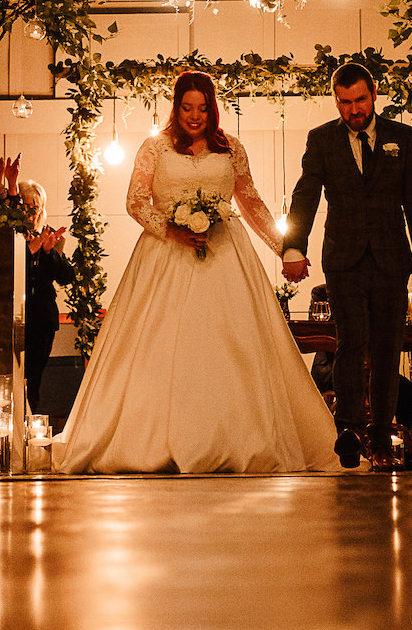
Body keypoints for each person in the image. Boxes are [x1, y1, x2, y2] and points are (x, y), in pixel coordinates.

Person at [60, 71, 337, 473]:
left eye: (202, 108)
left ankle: (235, 436)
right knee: (159, 345)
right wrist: (169, 229)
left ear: (213, 108)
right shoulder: (154, 148)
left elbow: (251, 202)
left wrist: (285, 249)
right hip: (164, 256)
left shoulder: (231, 149)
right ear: (176, 107)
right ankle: (153, 439)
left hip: (225, 254)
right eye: (187, 108)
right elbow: (136, 201)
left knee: (234, 345)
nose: (194, 116)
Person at [280, 62, 412, 470]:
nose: (354, 110)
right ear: (336, 99)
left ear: (374, 95)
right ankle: (348, 430)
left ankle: (381, 438)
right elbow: (305, 196)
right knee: (350, 341)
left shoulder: (399, 137)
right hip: (344, 258)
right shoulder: (322, 140)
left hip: (390, 258)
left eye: (361, 100)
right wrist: (293, 247)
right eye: (345, 102)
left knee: (387, 346)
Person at [19, 179, 74, 414]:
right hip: (16, 315)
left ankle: (32, 422)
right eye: (29, 207)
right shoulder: (10, 233)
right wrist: (29, 252)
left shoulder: (48, 234)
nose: (34, 214)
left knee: (35, 379)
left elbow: (66, 276)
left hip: (41, 318)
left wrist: (49, 252)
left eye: (39, 208)